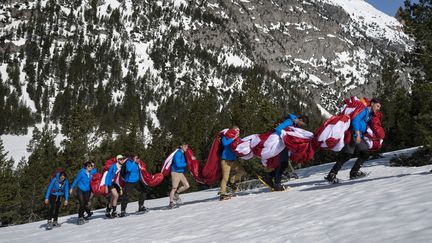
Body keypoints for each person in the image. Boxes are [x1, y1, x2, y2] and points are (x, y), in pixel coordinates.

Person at [325, 98, 382, 183]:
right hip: (353, 135)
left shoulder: (369, 114)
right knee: (347, 155)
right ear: (372, 104)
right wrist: (357, 134)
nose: (378, 108)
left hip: (359, 136)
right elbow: (355, 120)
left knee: (365, 153)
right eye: (377, 106)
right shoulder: (363, 110)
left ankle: (354, 172)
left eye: (379, 107)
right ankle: (332, 174)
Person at [259, 114, 308, 191]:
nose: (302, 125)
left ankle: (269, 176)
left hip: (283, 145)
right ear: (301, 120)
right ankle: (276, 183)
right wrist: (285, 136)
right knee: (282, 164)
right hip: (278, 144)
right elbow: (278, 129)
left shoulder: (295, 125)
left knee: (283, 164)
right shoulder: (289, 121)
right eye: (303, 124)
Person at [219, 125, 246, 200]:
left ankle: (232, 181)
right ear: (232, 131)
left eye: (239, 130)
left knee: (241, 171)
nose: (238, 132)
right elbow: (225, 144)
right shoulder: (226, 137)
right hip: (225, 160)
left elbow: (243, 143)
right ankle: (222, 193)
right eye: (237, 130)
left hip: (233, 160)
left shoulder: (238, 139)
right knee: (225, 177)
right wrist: (233, 138)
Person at [169, 144, 190, 208]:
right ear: (181, 147)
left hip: (180, 172)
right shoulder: (178, 153)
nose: (187, 147)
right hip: (175, 172)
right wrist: (186, 164)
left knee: (187, 186)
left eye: (187, 146)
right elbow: (178, 164)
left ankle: (176, 194)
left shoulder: (182, 153)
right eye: (185, 146)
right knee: (174, 188)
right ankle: (171, 202)